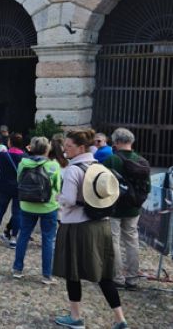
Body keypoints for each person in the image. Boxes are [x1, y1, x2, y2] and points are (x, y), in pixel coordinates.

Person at [53, 129, 127, 329]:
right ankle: (120, 319)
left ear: (81, 147)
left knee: (73, 273)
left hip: (77, 227)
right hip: (101, 226)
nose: (65, 149)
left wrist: (57, 198)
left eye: (69, 146)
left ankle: (76, 318)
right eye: (65, 145)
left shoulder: (73, 170)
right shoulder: (100, 167)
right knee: (104, 275)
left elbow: (68, 199)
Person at [103, 128, 148, 291]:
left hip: (114, 206)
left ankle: (117, 277)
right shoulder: (141, 161)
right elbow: (147, 186)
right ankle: (132, 278)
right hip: (133, 207)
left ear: (117, 142)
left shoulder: (111, 160)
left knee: (114, 240)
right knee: (132, 240)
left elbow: (102, 183)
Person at [12, 136, 62, 284]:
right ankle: (46, 275)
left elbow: (19, 180)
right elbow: (57, 187)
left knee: (23, 236)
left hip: (27, 204)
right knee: (48, 240)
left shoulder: (23, 163)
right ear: (47, 149)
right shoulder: (53, 165)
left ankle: (17, 269)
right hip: (47, 206)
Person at [0, 132, 25, 248]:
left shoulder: (3, 155)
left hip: (4, 186)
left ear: (10, 142)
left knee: (0, 210)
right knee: (17, 213)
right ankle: (13, 239)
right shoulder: (25, 157)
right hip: (18, 188)